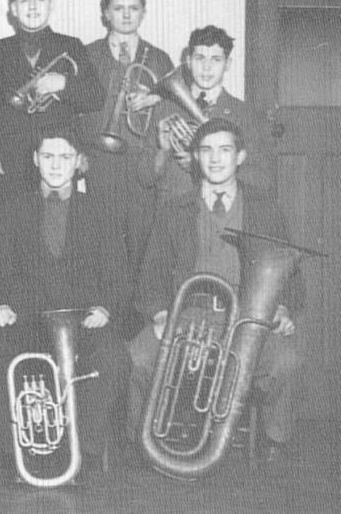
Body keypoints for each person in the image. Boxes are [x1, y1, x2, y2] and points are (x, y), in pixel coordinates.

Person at [127, 118, 301, 463]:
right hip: (187, 314)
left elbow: (292, 276)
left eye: (225, 150)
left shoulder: (265, 206)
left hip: (248, 319)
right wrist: (162, 315)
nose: (215, 158)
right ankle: (139, 444)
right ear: (195, 158)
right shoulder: (173, 208)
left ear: (240, 156)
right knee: (138, 357)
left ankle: (274, 439)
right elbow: (150, 279)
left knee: (287, 360)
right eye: (206, 150)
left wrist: (282, 309)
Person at [0, 127, 129, 482]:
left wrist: (106, 309)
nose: (55, 165)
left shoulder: (101, 210)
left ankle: (84, 453)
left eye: (65, 157)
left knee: (113, 358)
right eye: (47, 156)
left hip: (82, 323)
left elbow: (119, 275)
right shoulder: (13, 209)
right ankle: (18, 456)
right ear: (35, 160)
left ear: (79, 162)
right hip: (28, 320)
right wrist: (1, 305)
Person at [0, 0, 104, 221]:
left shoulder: (72, 45)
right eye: (24, 1)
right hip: (9, 160)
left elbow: (96, 97)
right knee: (9, 232)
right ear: (13, 8)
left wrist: (64, 83)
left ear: (51, 5)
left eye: (40, 0)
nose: (33, 7)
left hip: (58, 162)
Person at [82, 0, 174, 282]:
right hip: (99, 163)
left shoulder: (159, 59)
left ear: (143, 13)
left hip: (142, 164)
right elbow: (74, 111)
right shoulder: (87, 55)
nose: (125, 15)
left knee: (141, 244)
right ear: (106, 13)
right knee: (103, 245)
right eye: (118, 8)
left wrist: (156, 98)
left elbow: (173, 112)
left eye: (133, 8)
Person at [144, 25, 274, 200]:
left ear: (227, 64)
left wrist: (202, 166)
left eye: (216, 59)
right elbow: (144, 178)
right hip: (173, 212)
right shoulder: (165, 109)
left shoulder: (244, 113)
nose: (206, 67)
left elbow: (262, 179)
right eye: (200, 58)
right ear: (188, 61)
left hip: (223, 213)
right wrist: (163, 152)